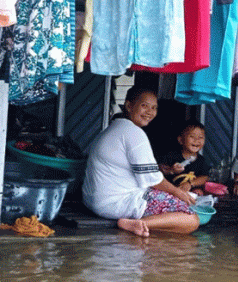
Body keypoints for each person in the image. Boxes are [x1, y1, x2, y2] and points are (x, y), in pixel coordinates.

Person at [82, 86, 199, 237]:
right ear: (129, 106)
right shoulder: (133, 133)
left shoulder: (113, 128)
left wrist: (162, 172)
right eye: (144, 106)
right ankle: (137, 223)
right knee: (191, 219)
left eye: (154, 108)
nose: (150, 112)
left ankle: (142, 223)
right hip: (115, 203)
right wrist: (178, 192)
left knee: (173, 202)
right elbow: (153, 180)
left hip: (94, 200)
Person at [160, 121, 210, 195]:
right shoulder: (172, 156)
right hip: (171, 193)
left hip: (190, 195)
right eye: (192, 136)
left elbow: (204, 177)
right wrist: (171, 170)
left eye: (201, 137)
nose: (196, 140)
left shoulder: (201, 161)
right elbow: (159, 170)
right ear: (180, 140)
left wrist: (190, 184)